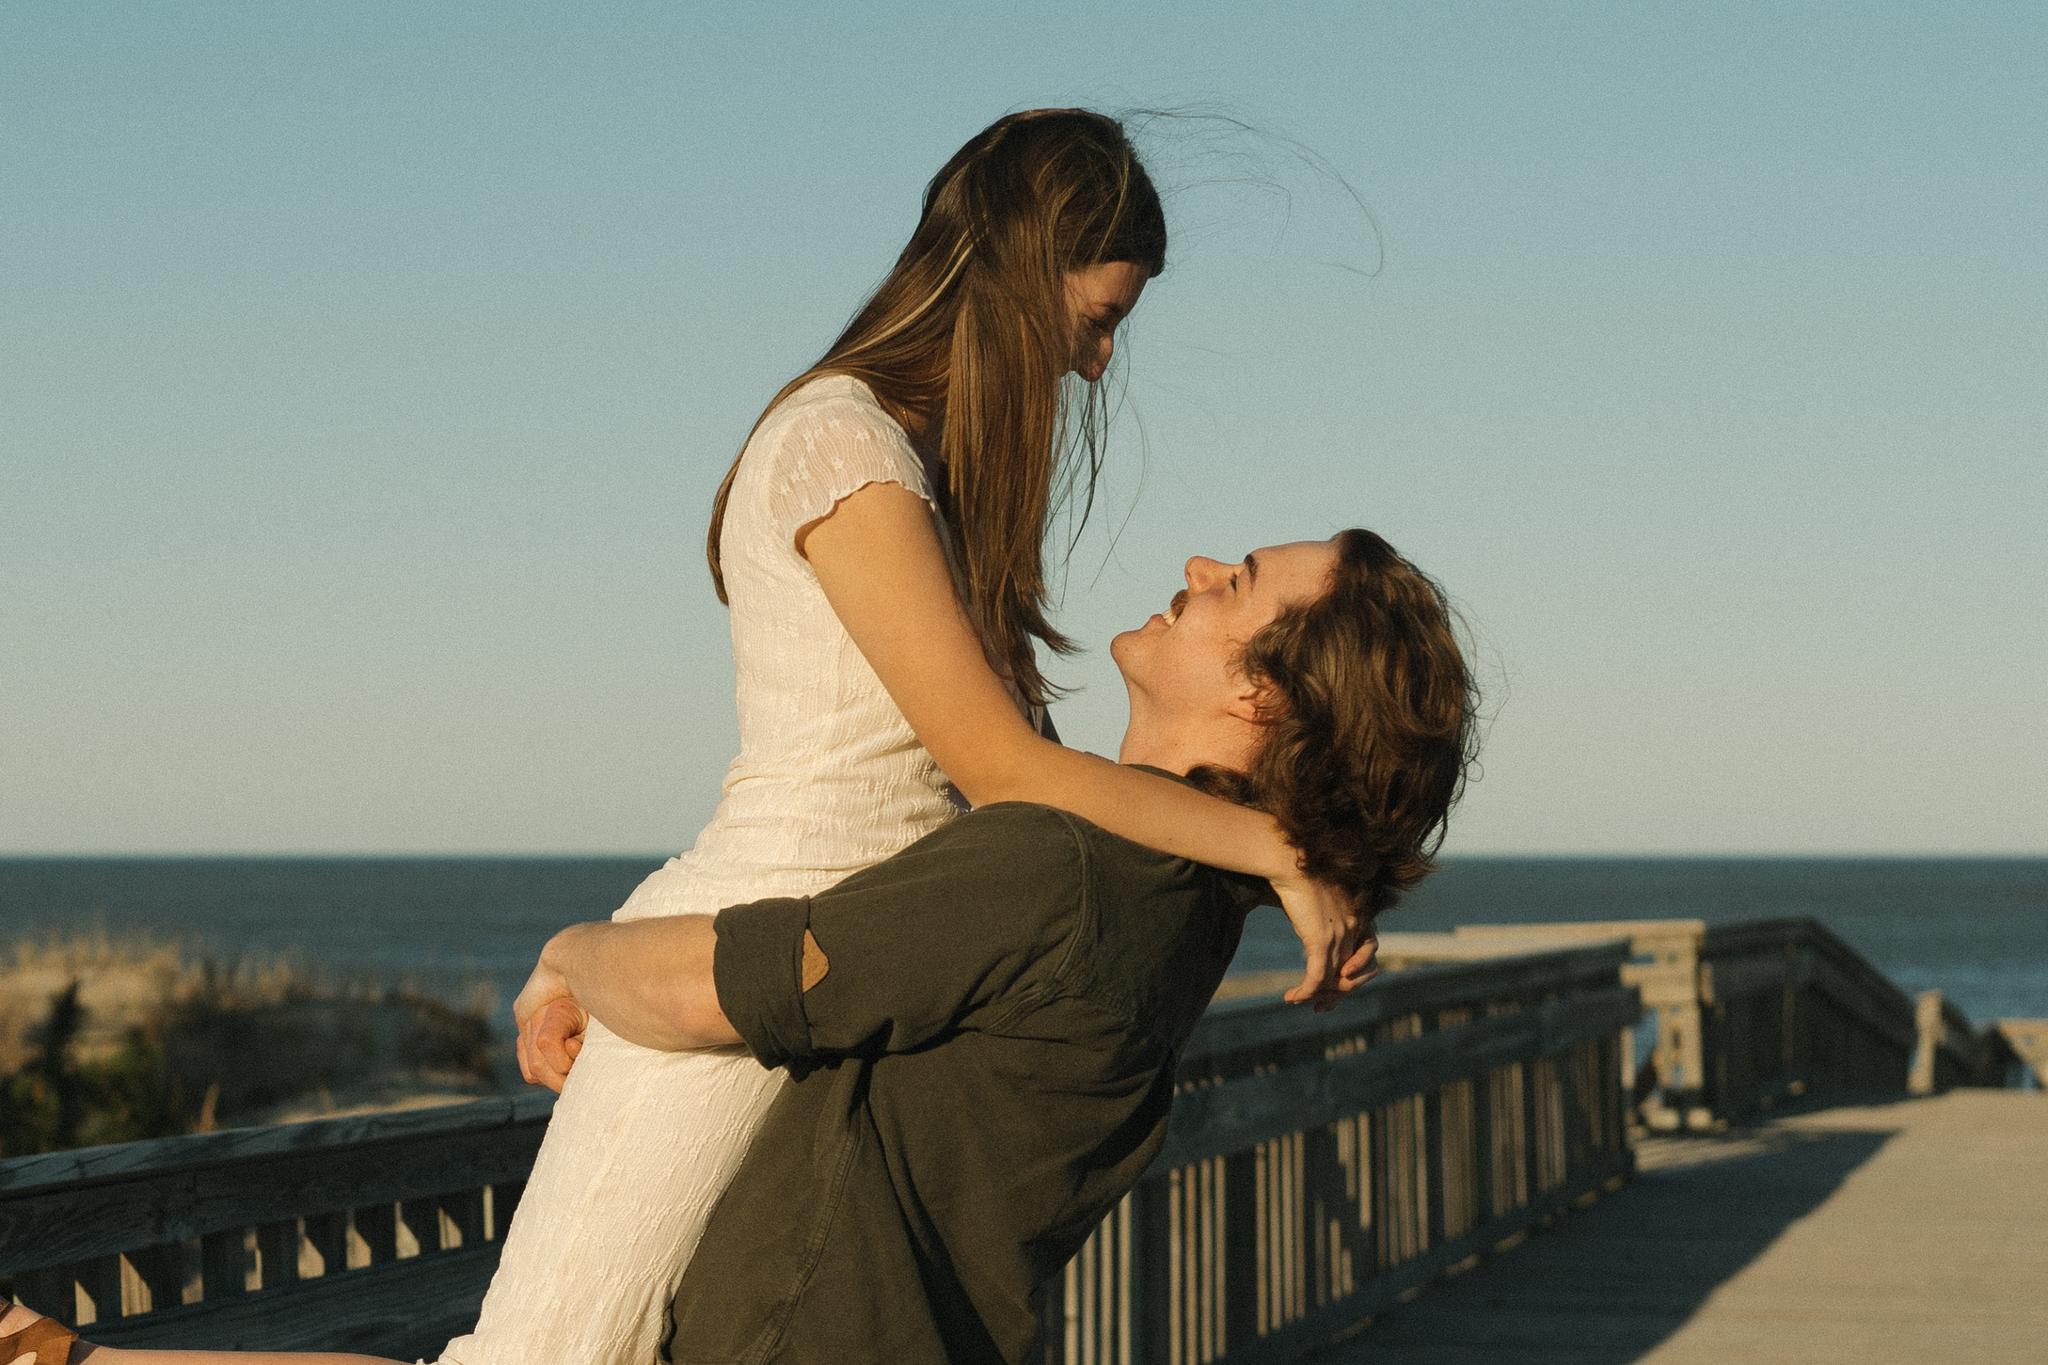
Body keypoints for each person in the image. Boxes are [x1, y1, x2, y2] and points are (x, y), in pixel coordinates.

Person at [0, 112, 1365, 1365]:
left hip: (835, 976)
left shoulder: (933, 481)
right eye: (1100, 316)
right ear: (1024, 270)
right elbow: (1010, 776)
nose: (1100, 359)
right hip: (739, 969)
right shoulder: (848, 453)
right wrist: (1276, 847)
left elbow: (1022, 801)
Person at [0, 528, 1473, 1365]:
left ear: (1268, 697)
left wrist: (578, 946)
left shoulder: (1070, 866)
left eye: (1247, 585)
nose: (1204, 562)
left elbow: (720, 989)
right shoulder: (1182, 900)